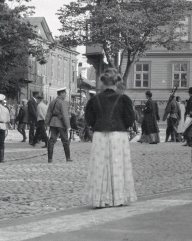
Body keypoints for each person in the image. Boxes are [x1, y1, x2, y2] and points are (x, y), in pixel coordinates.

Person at [83, 67, 137, 208]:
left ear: (102, 82)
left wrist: (98, 124)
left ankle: (100, 198)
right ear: (116, 82)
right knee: (118, 165)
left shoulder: (95, 99)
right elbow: (130, 118)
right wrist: (120, 125)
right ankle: (118, 197)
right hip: (118, 135)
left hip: (100, 134)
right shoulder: (123, 98)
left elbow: (89, 118)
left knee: (100, 166)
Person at [45, 88, 72, 162]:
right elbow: (65, 114)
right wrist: (68, 126)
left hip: (53, 123)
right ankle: (68, 157)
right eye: (65, 93)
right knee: (65, 140)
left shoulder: (52, 102)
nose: (65, 95)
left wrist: (46, 123)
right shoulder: (62, 102)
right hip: (61, 123)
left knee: (52, 140)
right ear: (61, 93)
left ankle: (50, 158)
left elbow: (48, 113)